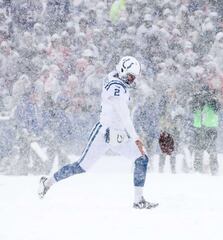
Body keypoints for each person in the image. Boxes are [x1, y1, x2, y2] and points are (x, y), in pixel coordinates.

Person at [38, 56, 158, 209]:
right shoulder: (116, 87)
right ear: (122, 71)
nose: (131, 80)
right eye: (129, 76)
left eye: (133, 77)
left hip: (117, 134)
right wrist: (136, 138)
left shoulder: (114, 77)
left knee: (142, 159)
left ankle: (138, 200)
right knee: (80, 167)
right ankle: (47, 182)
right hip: (103, 133)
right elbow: (124, 116)